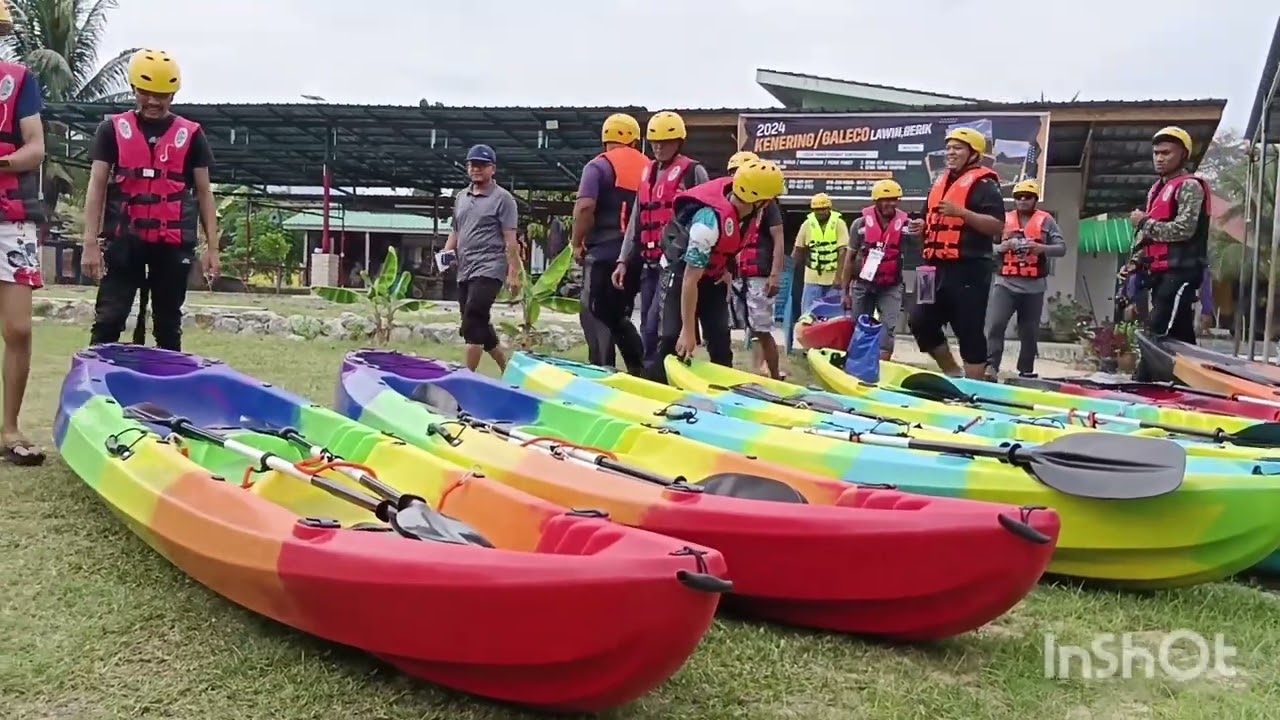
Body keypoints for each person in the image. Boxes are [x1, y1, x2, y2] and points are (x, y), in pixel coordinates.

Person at [82, 48, 220, 354]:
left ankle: (166, 388)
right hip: (124, 240)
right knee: (109, 318)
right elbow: (96, 186)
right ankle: (96, 384)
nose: (154, 102)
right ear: (134, 90)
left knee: (168, 323)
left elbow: (204, 193)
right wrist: (89, 242)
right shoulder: (111, 130)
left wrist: (212, 248)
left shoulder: (192, 135)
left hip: (171, 244)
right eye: (146, 93)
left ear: (173, 95)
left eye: (163, 95)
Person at [645, 159, 786, 383]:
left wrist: (728, 269)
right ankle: (654, 384)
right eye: (770, 199)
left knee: (720, 337)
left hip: (712, 275)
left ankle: (725, 388)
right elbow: (690, 280)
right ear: (761, 200)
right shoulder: (707, 224)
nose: (772, 203)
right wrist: (689, 331)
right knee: (672, 336)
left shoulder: (750, 211)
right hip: (681, 273)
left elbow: (732, 244)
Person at [908, 127, 1006, 380]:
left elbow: (997, 226)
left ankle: (976, 388)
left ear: (974, 154)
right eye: (948, 148)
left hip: (969, 267)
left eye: (958, 148)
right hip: (930, 266)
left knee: (968, 329)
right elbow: (925, 217)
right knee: (919, 320)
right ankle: (952, 372)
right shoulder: (938, 183)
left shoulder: (985, 184)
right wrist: (920, 225)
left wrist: (962, 213)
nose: (950, 152)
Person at [613, 111, 709, 364]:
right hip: (649, 264)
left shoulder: (693, 172)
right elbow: (636, 220)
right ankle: (653, 376)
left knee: (659, 328)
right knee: (647, 326)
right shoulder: (647, 174)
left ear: (679, 142)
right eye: (654, 141)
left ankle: (659, 373)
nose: (658, 147)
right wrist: (623, 260)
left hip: (676, 266)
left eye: (665, 142)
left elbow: (711, 215)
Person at [0, 23, 50, 466]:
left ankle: (10, 427)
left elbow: (36, 147)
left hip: (10, 217)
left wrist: (3, 160)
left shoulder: (18, 80)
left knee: (18, 328)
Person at [572, 113, 647, 373]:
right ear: (635, 141)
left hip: (603, 253)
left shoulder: (598, 166)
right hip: (636, 257)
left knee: (594, 313)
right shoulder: (650, 168)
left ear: (605, 139)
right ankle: (640, 369)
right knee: (618, 315)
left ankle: (602, 370)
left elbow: (584, 207)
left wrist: (576, 242)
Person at [1128, 126, 1211, 350]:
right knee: (1180, 334)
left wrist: (1144, 222)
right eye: (1156, 153)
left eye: (1167, 153)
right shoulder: (1156, 190)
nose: (1160, 158)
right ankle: (1188, 378)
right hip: (1160, 272)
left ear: (1183, 155)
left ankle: (1143, 380)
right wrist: (1135, 261)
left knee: (1158, 331)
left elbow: (1184, 229)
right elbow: (1150, 235)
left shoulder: (1190, 186)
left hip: (1182, 271)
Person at [441, 144, 521, 373]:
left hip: (490, 268)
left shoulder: (503, 199)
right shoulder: (461, 198)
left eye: (482, 165)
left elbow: (510, 239)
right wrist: (445, 258)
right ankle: (507, 368)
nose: (476, 169)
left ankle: (467, 378)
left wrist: (513, 273)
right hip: (465, 268)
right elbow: (456, 232)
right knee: (478, 323)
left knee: (474, 317)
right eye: (472, 165)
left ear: (492, 169)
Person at [984, 179, 1066, 379]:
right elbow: (985, 247)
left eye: (1027, 197)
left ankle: (1025, 372)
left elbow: (1061, 248)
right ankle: (991, 367)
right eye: (1018, 197)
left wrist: (1041, 248)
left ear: (1035, 199)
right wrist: (1001, 248)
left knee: (1029, 333)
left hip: (1034, 287)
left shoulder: (1046, 221)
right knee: (995, 325)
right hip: (1005, 283)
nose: (1022, 201)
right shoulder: (1003, 219)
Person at [841, 179, 916, 361]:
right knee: (858, 326)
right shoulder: (859, 225)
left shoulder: (907, 225)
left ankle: (882, 367)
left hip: (891, 285)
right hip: (863, 284)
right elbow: (849, 259)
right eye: (885, 199)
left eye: (894, 199)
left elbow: (920, 249)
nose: (890, 203)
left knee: (888, 328)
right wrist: (844, 292)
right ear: (876, 201)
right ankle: (856, 366)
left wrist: (919, 234)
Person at [727, 151, 786, 379]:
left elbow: (779, 240)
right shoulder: (731, 202)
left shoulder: (767, 204)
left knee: (761, 328)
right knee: (747, 327)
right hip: (738, 273)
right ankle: (754, 370)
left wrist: (775, 275)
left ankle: (773, 373)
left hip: (759, 273)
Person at [792, 193, 849, 314]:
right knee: (808, 314)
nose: (820, 212)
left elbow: (843, 251)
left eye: (823, 209)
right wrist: (792, 272)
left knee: (833, 315)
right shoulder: (807, 224)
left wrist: (839, 277)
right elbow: (798, 250)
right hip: (812, 278)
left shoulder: (839, 223)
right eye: (817, 210)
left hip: (833, 280)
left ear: (829, 208)